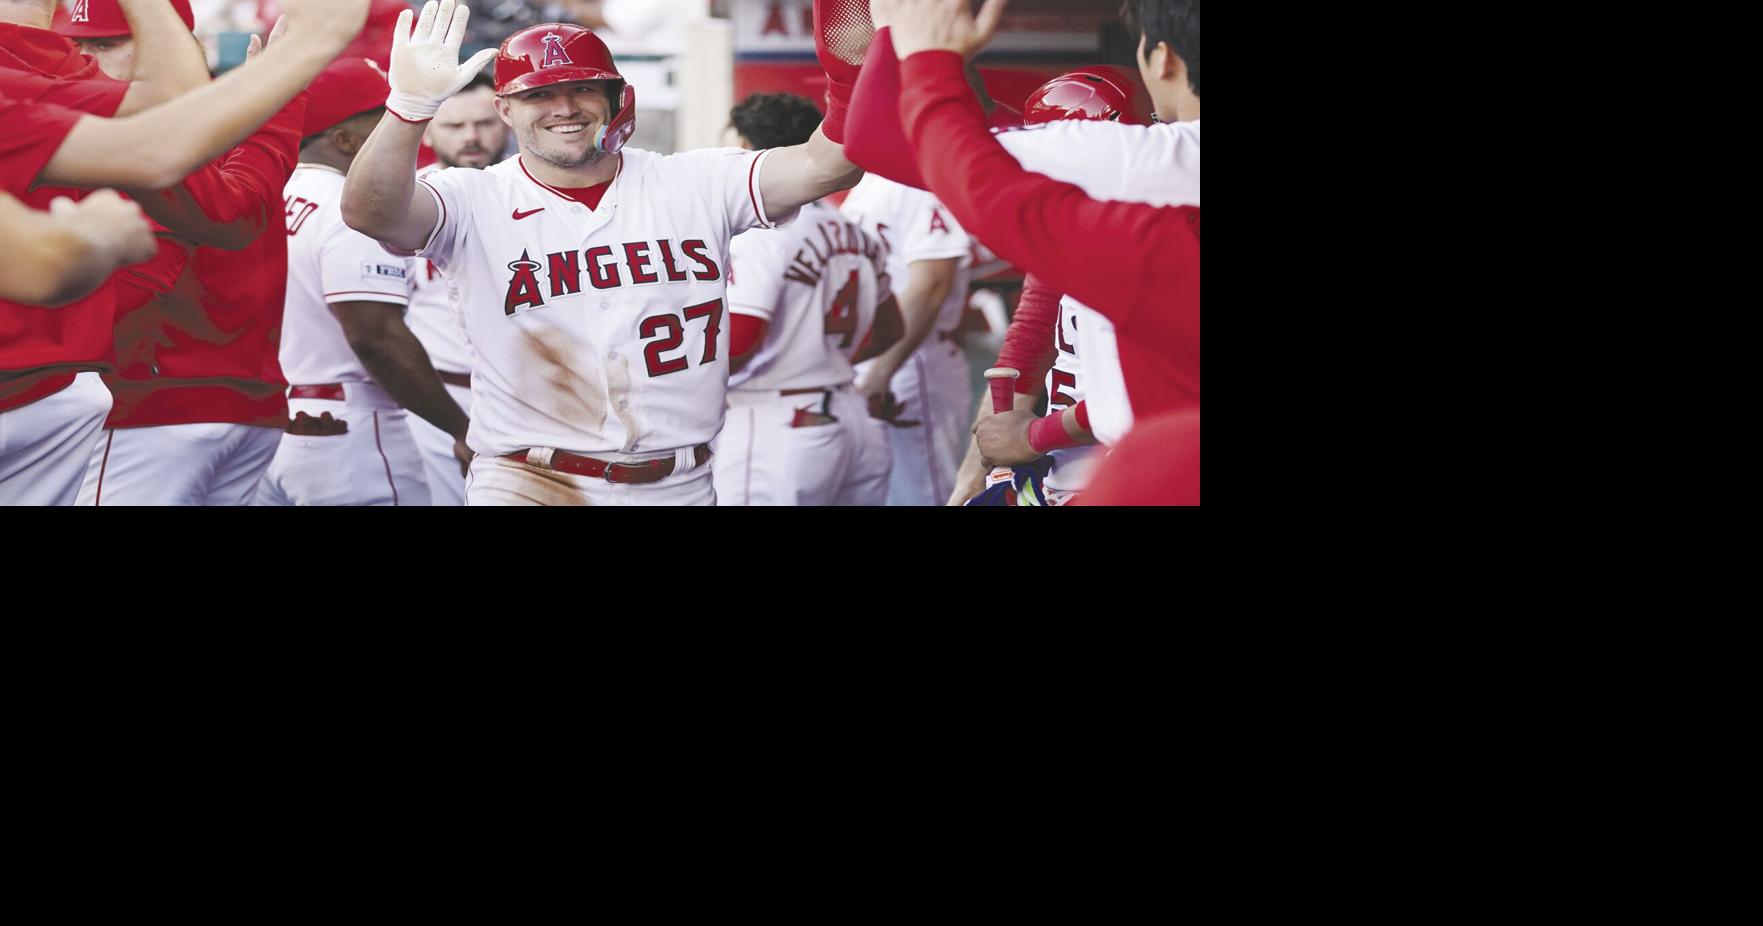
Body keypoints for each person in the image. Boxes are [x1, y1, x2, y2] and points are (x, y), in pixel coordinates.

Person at [340, 1, 873, 505]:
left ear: (617, 95)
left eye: (583, 89)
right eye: (538, 95)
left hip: (682, 481)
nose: (565, 108)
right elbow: (370, 212)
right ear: (504, 108)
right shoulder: (473, 196)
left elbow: (826, 166)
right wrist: (408, 110)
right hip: (530, 479)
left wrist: (851, 74)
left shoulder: (695, 180)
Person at [255, 55, 467, 506]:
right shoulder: (351, 212)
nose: (406, 132)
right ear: (346, 140)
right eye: (384, 119)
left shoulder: (271, 194)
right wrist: (462, 429)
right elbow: (377, 338)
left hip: (273, 422)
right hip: (348, 431)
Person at [715, 92, 900, 506]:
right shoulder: (853, 230)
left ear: (746, 147)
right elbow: (892, 329)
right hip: (853, 419)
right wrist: (816, 363)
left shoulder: (762, 233)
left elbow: (742, 338)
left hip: (777, 425)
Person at [405, 70, 507, 504]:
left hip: (527, 396)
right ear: (429, 128)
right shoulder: (405, 201)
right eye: (454, 125)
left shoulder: (534, 190)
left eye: (484, 124)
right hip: (437, 396)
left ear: (506, 118)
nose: (471, 137)